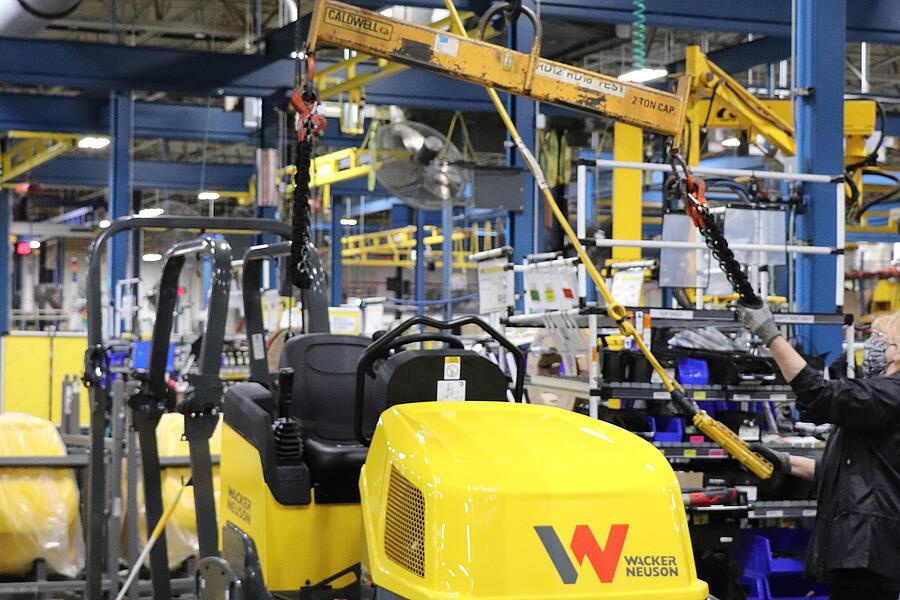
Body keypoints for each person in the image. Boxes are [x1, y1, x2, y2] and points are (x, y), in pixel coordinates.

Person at [738, 305, 900, 600]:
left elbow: (820, 396)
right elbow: (857, 471)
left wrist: (771, 336)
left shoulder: (890, 395)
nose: (871, 345)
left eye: (880, 338)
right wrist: (787, 462)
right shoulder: (883, 397)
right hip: (864, 549)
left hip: (869, 548)